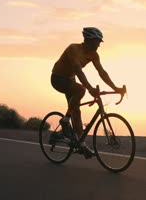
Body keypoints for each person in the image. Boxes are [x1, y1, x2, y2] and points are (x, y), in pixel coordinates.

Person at [51, 27, 124, 158]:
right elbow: (79, 72)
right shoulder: (74, 49)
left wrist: (116, 88)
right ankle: (65, 120)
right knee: (80, 90)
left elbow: (102, 72)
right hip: (58, 78)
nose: (99, 45)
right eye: (97, 41)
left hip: (70, 79)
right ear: (89, 40)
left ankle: (80, 144)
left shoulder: (94, 54)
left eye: (100, 42)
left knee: (76, 111)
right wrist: (90, 88)